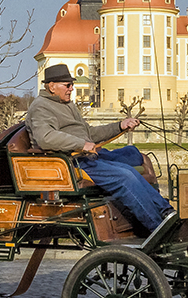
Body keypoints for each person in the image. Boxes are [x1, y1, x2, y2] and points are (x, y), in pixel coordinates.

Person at [26, 63, 175, 234]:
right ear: (52, 86)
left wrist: (120, 125)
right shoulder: (40, 107)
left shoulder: (67, 105)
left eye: (71, 84)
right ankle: (157, 227)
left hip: (88, 155)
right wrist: (81, 144)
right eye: (67, 85)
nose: (72, 88)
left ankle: (165, 211)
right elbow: (45, 138)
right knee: (125, 174)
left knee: (133, 154)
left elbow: (90, 133)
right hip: (72, 162)